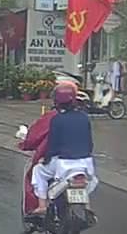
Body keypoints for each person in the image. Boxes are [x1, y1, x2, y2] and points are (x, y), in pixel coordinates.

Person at [27, 83, 96, 214]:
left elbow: (53, 145)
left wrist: (45, 159)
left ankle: (42, 205)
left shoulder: (57, 119)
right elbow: (90, 144)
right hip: (86, 164)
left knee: (38, 171)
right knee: (85, 183)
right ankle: (88, 208)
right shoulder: (84, 118)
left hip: (64, 164)